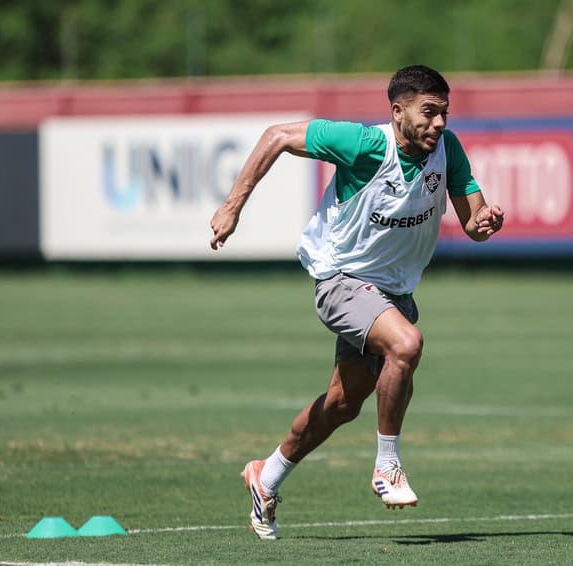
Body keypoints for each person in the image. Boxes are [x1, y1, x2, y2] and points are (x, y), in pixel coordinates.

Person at [209, 64, 504, 540]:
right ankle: (387, 466)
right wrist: (232, 205)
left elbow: (473, 222)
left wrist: (485, 222)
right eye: (428, 113)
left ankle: (266, 478)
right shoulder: (365, 145)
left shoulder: (447, 150)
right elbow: (277, 135)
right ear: (397, 111)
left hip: (393, 294)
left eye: (444, 113)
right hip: (340, 281)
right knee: (406, 345)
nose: (440, 124)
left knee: (343, 405)